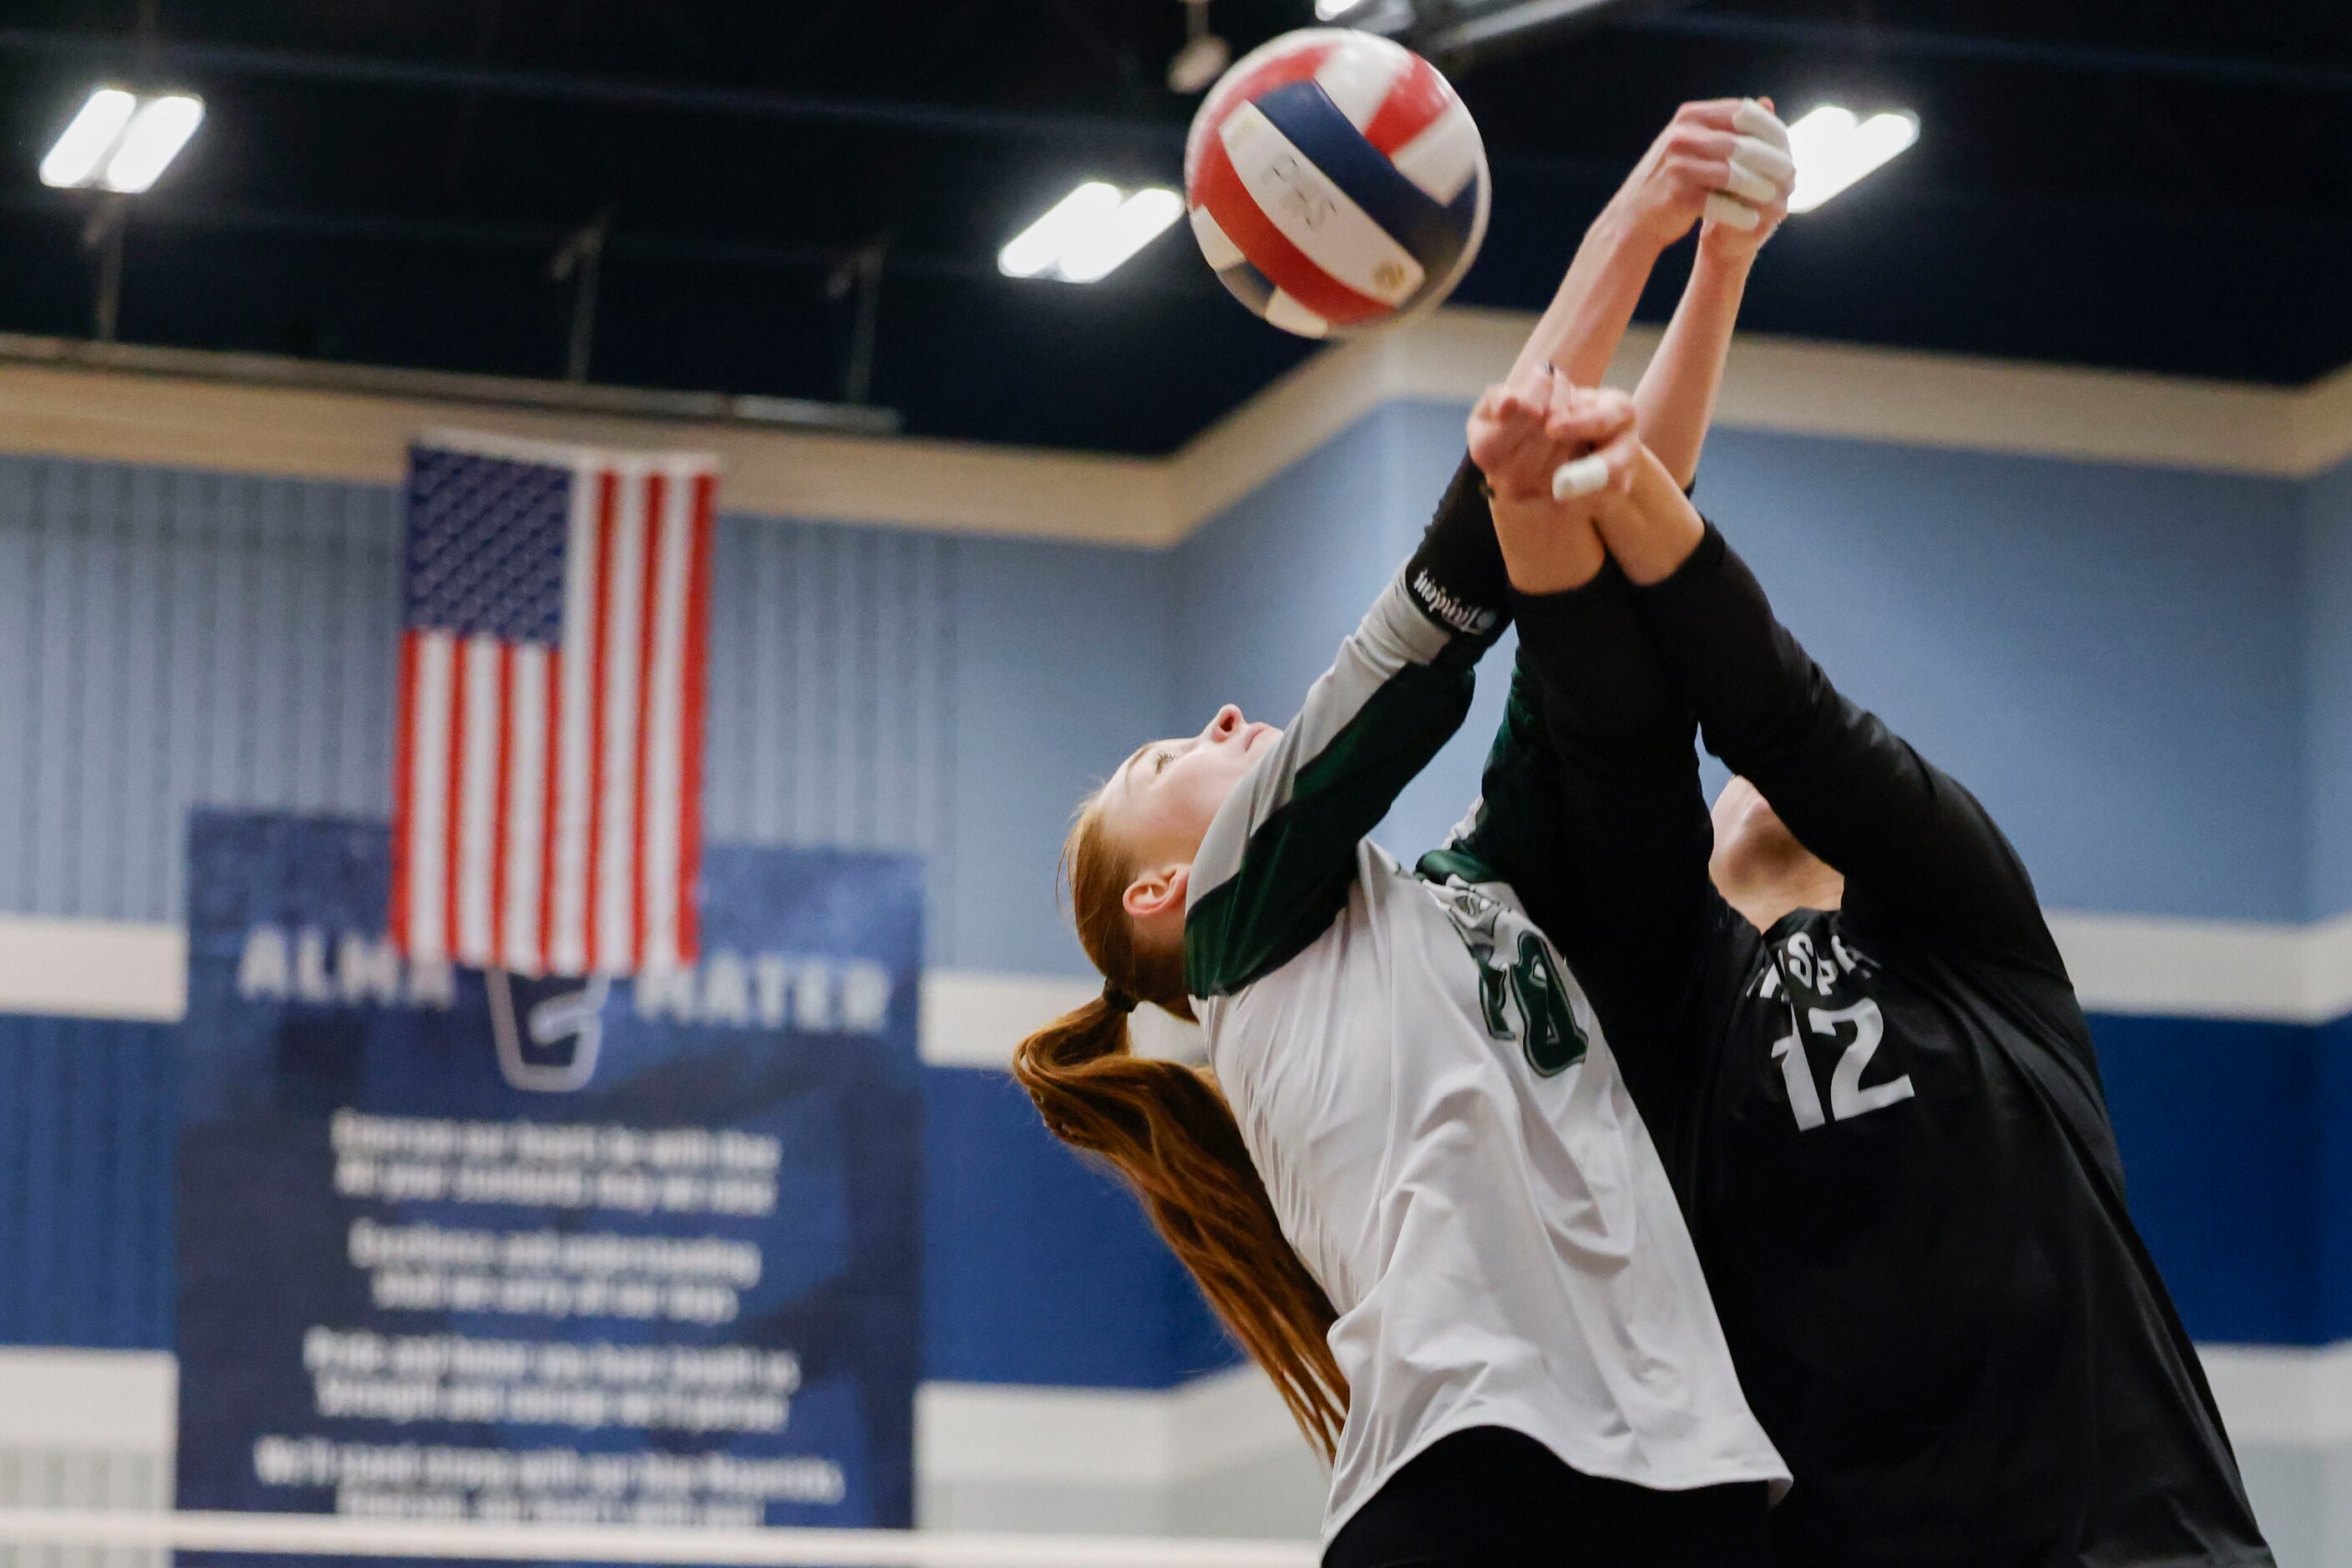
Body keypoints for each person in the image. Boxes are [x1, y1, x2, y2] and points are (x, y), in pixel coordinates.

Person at [1011, 103, 1801, 1565]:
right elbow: (1467, 552)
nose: (1224, 714)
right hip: (1468, 1476)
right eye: (1165, 753)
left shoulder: (1470, 893)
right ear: (1164, 892)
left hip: (1681, 1463)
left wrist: (1723, 268)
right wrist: (1628, 223)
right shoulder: (1247, 925)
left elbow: (1603, 544)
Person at [1467, 311, 2278, 1564]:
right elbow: (1614, 747)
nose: (1753, 775)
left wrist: (1627, 478)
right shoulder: (1671, 1013)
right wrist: (1536, 512)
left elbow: (1785, 717)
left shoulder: (1973, 935)